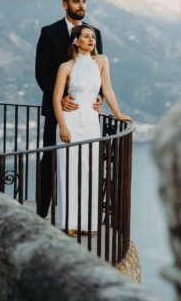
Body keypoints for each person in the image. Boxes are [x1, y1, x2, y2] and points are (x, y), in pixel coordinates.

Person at [53, 24, 131, 236]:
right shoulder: (65, 67)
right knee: (68, 170)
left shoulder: (102, 61)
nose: (91, 40)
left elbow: (107, 89)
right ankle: (69, 222)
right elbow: (56, 98)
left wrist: (118, 114)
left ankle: (88, 224)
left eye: (93, 37)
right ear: (76, 41)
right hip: (70, 120)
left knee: (90, 170)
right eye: (86, 36)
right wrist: (62, 125)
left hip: (90, 121)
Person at [35, 0, 103, 218]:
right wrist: (60, 98)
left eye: (84, 1)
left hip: (85, 115)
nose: (81, 6)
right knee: (50, 160)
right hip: (57, 112)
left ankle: (81, 216)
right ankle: (42, 213)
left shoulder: (95, 33)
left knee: (85, 162)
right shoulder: (49, 32)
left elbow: (97, 70)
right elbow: (41, 72)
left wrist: (99, 95)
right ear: (65, 4)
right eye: (76, 1)